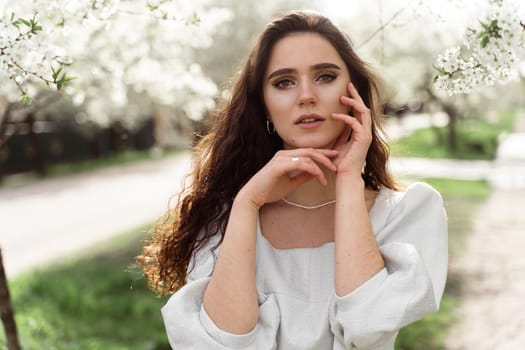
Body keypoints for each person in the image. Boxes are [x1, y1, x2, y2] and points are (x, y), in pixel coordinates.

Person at [138, 10, 448, 350]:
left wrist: (348, 180)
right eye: (284, 82)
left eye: (325, 76)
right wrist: (246, 204)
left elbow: (365, 326)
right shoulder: (223, 219)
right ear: (264, 107)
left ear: (354, 92)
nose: (305, 96)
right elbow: (223, 343)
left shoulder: (407, 212)